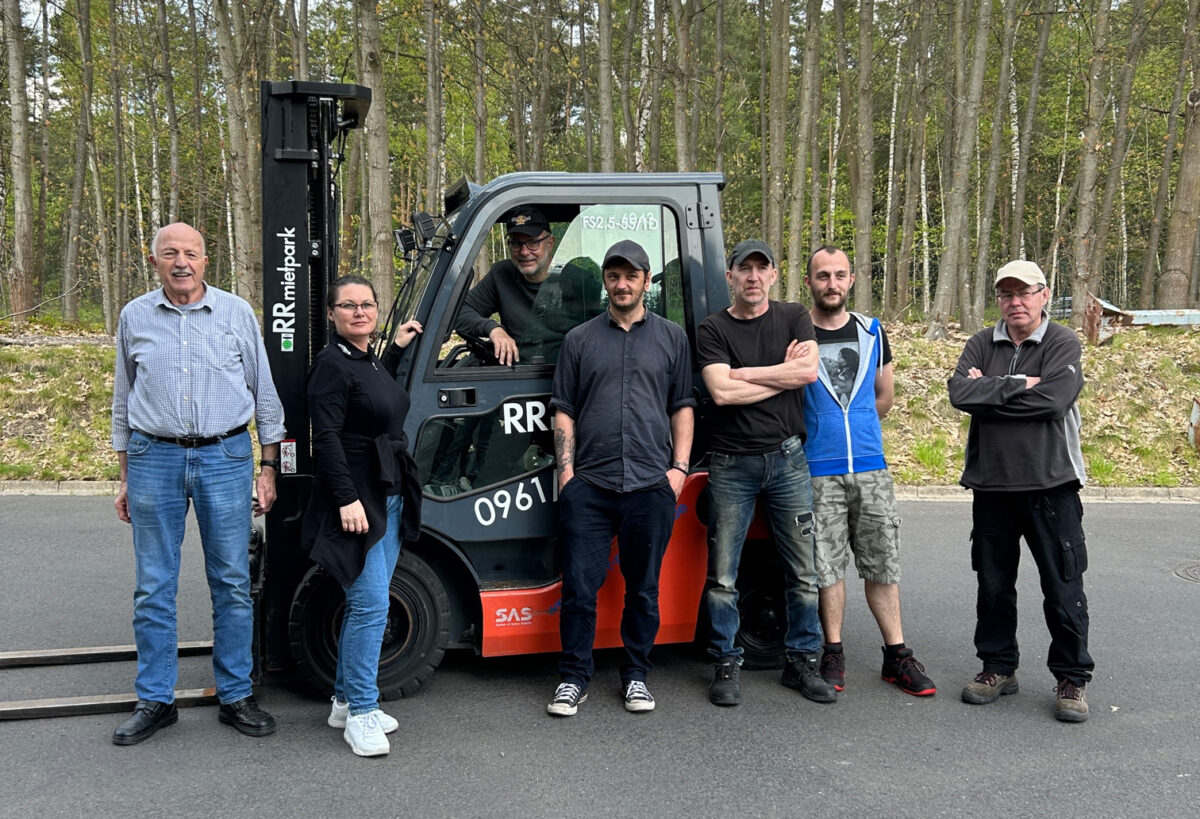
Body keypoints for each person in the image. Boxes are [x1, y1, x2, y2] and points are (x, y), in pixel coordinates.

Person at [111, 222, 285, 745]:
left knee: (231, 580)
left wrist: (268, 464)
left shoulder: (235, 313)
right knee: (153, 586)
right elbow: (123, 399)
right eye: (170, 254)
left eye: (190, 253)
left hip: (226, 456)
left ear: (206, 260)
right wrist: (123, 474)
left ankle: (235, 694)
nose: (181, 262)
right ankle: (156, 700)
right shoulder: (134, 316)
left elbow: (265, 391)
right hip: (152, 457)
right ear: (155, 260)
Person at [546, 239, 695, 717]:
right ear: (606, 282)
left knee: (644, 590)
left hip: (652, 484)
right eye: (614, 275)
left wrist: (679, 470)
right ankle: (573, 678)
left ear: (646, 281)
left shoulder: (673, 338)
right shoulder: (579, 340)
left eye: (631, 275)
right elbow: (563, 411)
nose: (622, 283)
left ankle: (636, 676)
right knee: (579, 591)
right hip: (590, 485)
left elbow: (683, 407)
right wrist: (567, 474)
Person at [947, 259, 1093, 723]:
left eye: (1025, 292)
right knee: (992, 586)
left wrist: (990, 393)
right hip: (991, 487)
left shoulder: (1062, 341)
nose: (1016, 302)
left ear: (1044, 295)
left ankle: (1071, 678)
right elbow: (958, 394)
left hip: (1052, 486)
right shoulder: (979, 343)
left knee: (1062, 586)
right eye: (1007, 294)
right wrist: (1018, 385)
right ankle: (997, 667)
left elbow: (1052, 402)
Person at [697, 238, 836, 707]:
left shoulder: (794, 316)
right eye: (744, 269)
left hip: (788, 460)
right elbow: (720, 393)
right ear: (730, 277)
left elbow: (808, 374)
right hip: (730, 464)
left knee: (802, 571)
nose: (753, 277)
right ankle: (725, 663)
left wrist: (742, 373)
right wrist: (779, 369)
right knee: (723, 577)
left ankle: (801, 663)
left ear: (774, 275)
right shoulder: (712, 328)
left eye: (762, 268)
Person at [802, 246, 936, 697]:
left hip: (870, 468)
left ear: (852, 280)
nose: (831, 284)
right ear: (809, 283)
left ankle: (897, 655)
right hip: (818, 471)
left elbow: (884, 397)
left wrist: (857, 432)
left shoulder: (872, 332)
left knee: (882, 564)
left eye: (839, 275)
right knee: (827, 567)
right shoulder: (797, 334)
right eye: (822, 276)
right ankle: (833, 650)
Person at [301, 274, 424, 756]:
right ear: (331, 314)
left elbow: (378, 402)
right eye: (348, 306)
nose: (359, 312)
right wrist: (346, 499)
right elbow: (326, 438)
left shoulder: (366, 358)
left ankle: (344, 700)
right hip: (360, 498)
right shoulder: (330, 364)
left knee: (366, 604)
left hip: (388, 492)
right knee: (370, 605)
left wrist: (393, 350)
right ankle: (362, 713)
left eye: (367, 304)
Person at [454, 205, 556, 365]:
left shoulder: (577, 280)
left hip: (562, 374)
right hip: (513, 375)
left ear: (550, 243)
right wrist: (493, 329)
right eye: (516, 244)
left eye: (532, 243)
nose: (524, 252)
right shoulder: (502, 274)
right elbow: (459, 313)